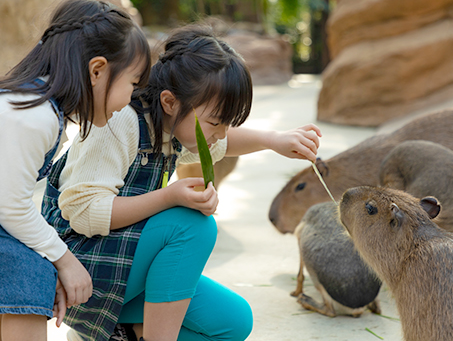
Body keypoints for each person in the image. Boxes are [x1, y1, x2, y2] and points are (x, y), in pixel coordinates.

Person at [42, 24, 321, 341]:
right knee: (191, 224)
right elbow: (84, 213)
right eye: (216, 122)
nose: (220, 133)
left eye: (228, 123)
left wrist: (274, 140)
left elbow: (221, 143)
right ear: (170, 101)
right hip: (76, 274)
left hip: (121, 267)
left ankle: (117, 334)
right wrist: (169, 197)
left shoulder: (171, 125)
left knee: (233, 322)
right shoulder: (121, 121)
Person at [0, 0, 151, 341]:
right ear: (97, 71)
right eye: (132, 83)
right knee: (29, 265)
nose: (130, 99)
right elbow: (11, 207)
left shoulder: (34, 105)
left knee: (33, 259)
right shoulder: (31, 115)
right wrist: (65, 261)